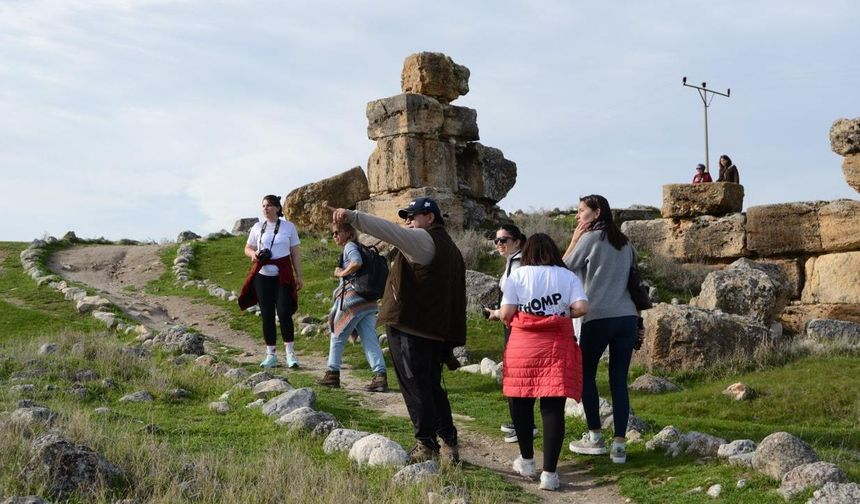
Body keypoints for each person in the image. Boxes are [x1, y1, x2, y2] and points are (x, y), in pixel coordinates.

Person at [330, 197, 466, 464]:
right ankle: (449, 442)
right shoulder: (450, 248)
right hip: (434, 329)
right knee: (431, 387)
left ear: (430, 218)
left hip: (411, 327)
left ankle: (426, 445)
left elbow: (388, 230)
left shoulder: (424, 240)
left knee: (415, 387)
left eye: (414, 216)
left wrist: (352, 217)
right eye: (406, 216)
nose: (408, 221)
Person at [500, 233, 589, 491]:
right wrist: (561, 313)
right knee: (552, 409)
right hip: (556, 346)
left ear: (527, 253)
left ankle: (527, 461)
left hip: (523, 346)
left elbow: (506, 313)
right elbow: (582, 307)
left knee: (521, 403)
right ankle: (549, 474)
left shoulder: (518, 275)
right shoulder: (568, 276)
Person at [563, 194, 641, 465]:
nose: (577, 216)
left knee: (585, 375)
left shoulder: (589, 239)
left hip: (597, 316)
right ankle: (619, 445)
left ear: (596, 213)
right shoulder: (626, 243)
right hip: (627, 317)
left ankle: (595, 436)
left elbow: (563, 269)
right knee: (618, 381)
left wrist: (574, 238)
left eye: (581, 211)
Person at [483, 225, 538, 444]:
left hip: (517, 324)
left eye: (503, 240)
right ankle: (520, 421)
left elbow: (518, 299)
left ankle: (525, 424)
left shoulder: (520, 264)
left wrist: (498, 313)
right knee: (515, 372)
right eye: (496, 240)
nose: (499, 244)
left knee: (518, 373)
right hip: (513, 323)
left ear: (517, 241)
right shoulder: (513, 261)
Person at [317, 222, 388, 392]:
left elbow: (356, 262)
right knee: (370, 339)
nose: (334, 236)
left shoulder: (349, 246)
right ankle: (380, 377)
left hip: (354, 300)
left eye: (337, 232)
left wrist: (341, 272)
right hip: (369, 302)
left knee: (337, 334)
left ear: (348, 233)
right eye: (332, 233)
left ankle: (332, 374)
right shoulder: (357, 246)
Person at [238, 195, 303, 369]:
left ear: (277, 208)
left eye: (269, 206)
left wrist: (299, 276)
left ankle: (290, 354)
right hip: (262, 276)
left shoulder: (289, 227)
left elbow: (295, 253)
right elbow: (247, 247)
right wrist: (253, 254)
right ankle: (271, 355)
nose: (265, 209)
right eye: (263, 206)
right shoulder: (257, 227)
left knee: (284, 312)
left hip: (282, 275)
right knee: (267, 315)